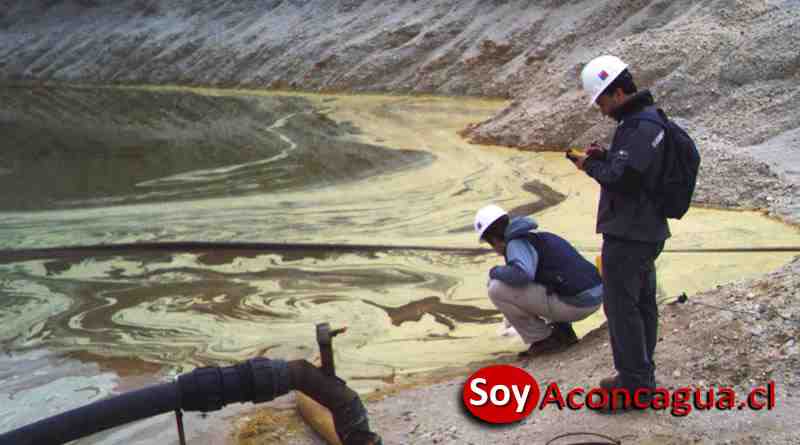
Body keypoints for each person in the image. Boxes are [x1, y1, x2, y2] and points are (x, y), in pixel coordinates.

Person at [571, 55, 670, 410]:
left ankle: (634, 387)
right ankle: (640, 377)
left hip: (630, 234)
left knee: (622, 308)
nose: (599, 109)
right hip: (646, 230)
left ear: (615, 92)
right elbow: (635, 169)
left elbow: (623, 179)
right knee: (641, 304)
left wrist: (592, 164)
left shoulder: (638, 125)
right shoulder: (650, 121)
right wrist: (609, 156)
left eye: (600, 100)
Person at [474, 204, 603, 357]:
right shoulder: (537, 236)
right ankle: (563, 332)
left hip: (577, 304)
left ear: (494, 239)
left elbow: (522, 275)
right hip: (594, 295)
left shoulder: (516, 243)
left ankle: (543, 339)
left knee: (496, 288)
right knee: (542, 280)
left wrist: (494, 271)